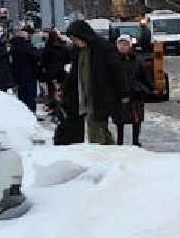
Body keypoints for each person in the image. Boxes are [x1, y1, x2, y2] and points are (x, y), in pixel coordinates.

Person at [60, 18, 127, 146]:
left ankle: (99, 152)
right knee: (99, 125)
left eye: (76, 39)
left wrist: (123, 93)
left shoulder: (103, 48)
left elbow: (117, 70)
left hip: (101, 93)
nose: (75, 42)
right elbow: (74, 72)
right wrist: (64, 88)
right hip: (85, 94)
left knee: (95, 123)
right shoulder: (78, 51)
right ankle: (109, 150)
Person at [112, 35, 155, 146]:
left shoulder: (137, 60)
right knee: (119, 121)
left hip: (136, 96)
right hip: (119, 96)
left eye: (125, 44)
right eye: (120, 44)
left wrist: (143, 89)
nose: (123, 46)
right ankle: (119, 142)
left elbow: (146, 79)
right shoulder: (113, 60)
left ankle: (135, 142)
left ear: (130, 46)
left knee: (136, 120)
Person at [9, 25, 41, 113]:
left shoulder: (15, 44)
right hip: (29, 74)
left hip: (19, 74)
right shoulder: (25, 45)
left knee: (22, 95)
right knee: (30, 95)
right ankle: (30, 113)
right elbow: (35, 56)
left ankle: (24, 112)